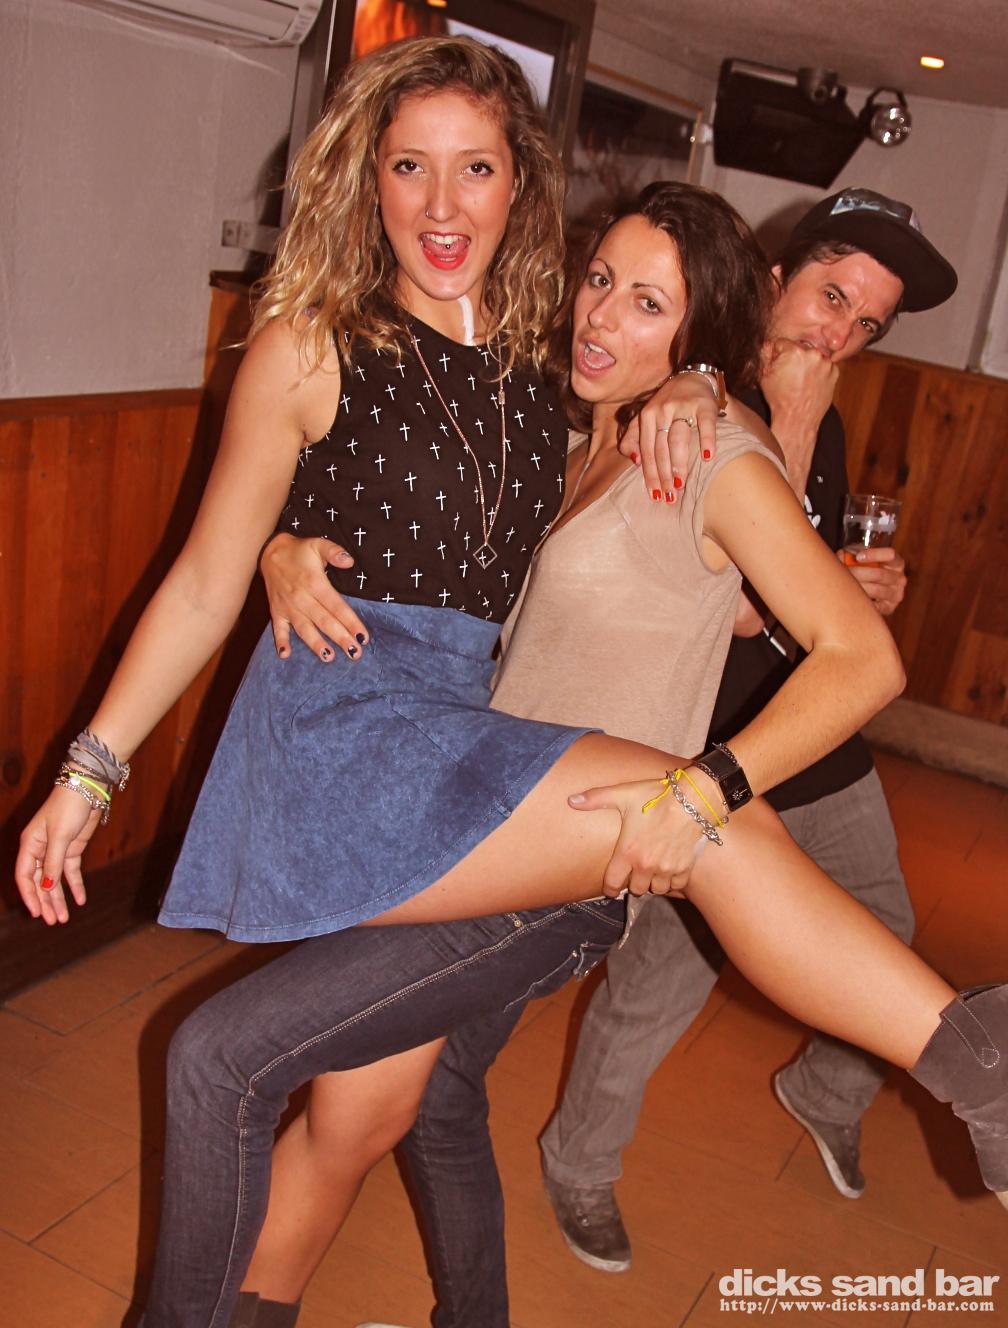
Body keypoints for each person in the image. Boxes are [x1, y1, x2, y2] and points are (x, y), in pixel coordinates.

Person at [13, 35, 1003, 1325]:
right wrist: (94, 766)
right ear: (366, 180)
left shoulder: (550, 364)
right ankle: (981, 1061)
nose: (441, 204)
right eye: (408, 167)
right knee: (698, 814)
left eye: (474, 168)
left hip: (467, 749)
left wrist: (702, 373)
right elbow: (203, 578)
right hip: (352, 728)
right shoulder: (312, 343)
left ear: (518, 183)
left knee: (360, 1115)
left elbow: (678, 390)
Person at [241, 189, 999, 1328]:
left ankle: (978, 1065)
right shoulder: (585, 427)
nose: (838, 332)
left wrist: (709, 783)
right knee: (418, 1094)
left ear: (699, 324)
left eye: (648, 301)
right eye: (601, 280)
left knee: (285, 1076)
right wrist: (281, 546)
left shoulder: (719, 437)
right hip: (479, 793)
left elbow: (820, 638)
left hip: (573, 829)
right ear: (775, 284)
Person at [537, 186, 960, 1274]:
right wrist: (755, 405)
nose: (839, 333)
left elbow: (809, 597)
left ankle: (825, 1091)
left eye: (865, 323)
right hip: (713, 734)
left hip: (812, 730)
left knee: (886, 931)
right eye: (830, 295)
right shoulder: (685, 401)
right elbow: (730, 605)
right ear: (772, 281)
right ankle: (579, 1160)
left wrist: (859, 587)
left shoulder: (797, 403)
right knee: (666, 972)